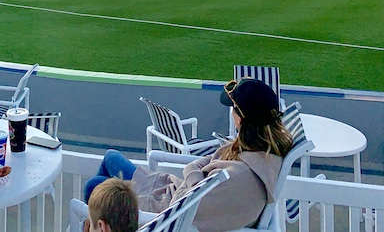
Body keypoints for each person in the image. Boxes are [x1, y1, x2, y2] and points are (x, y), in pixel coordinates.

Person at [83, 78, 292, 232]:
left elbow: (184, 205)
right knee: (110, 159)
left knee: (94, 186)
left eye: (234, 109)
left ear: (240, 119)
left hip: (163, 210)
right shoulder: (262, 156)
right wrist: (196, 172)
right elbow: (206, 165)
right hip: (175, 193)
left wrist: (193, 171)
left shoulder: (237, 176)